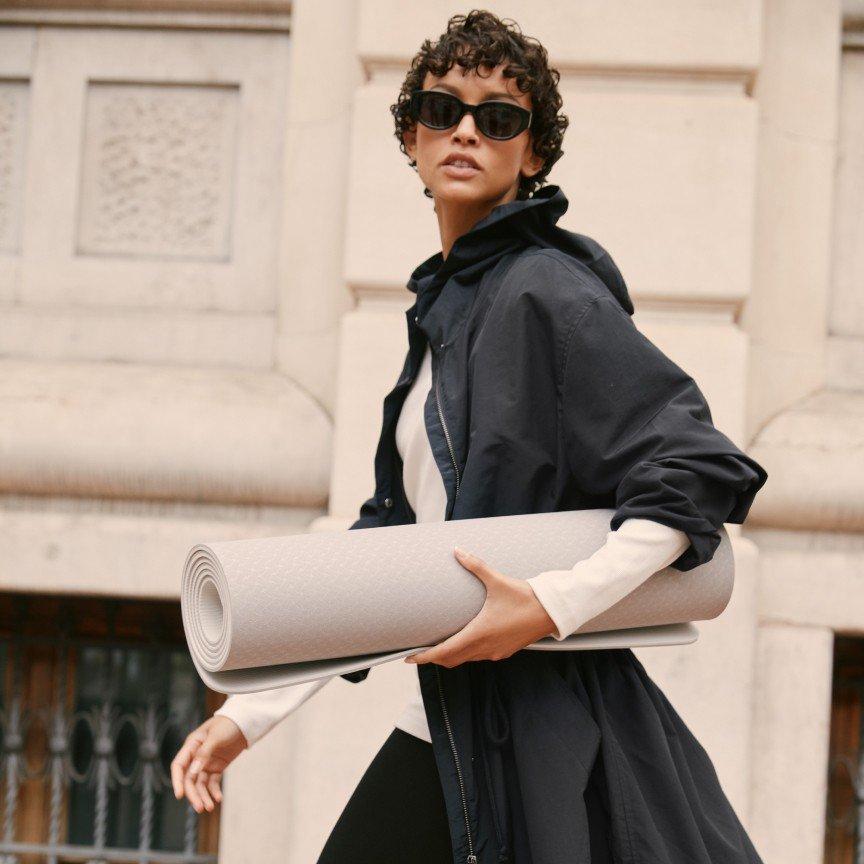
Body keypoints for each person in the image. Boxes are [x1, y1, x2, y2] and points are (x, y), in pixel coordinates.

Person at [171, 11, 768, 863]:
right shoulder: (445, 315)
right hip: (451, 718)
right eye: (442, 107)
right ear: (412, 139)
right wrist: (248, 713)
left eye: (499, 117)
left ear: (532, 154)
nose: (465, 130)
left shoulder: (545, 293)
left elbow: (693, 465)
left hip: (541, 734)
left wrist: (547, 606)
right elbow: (387, 558)